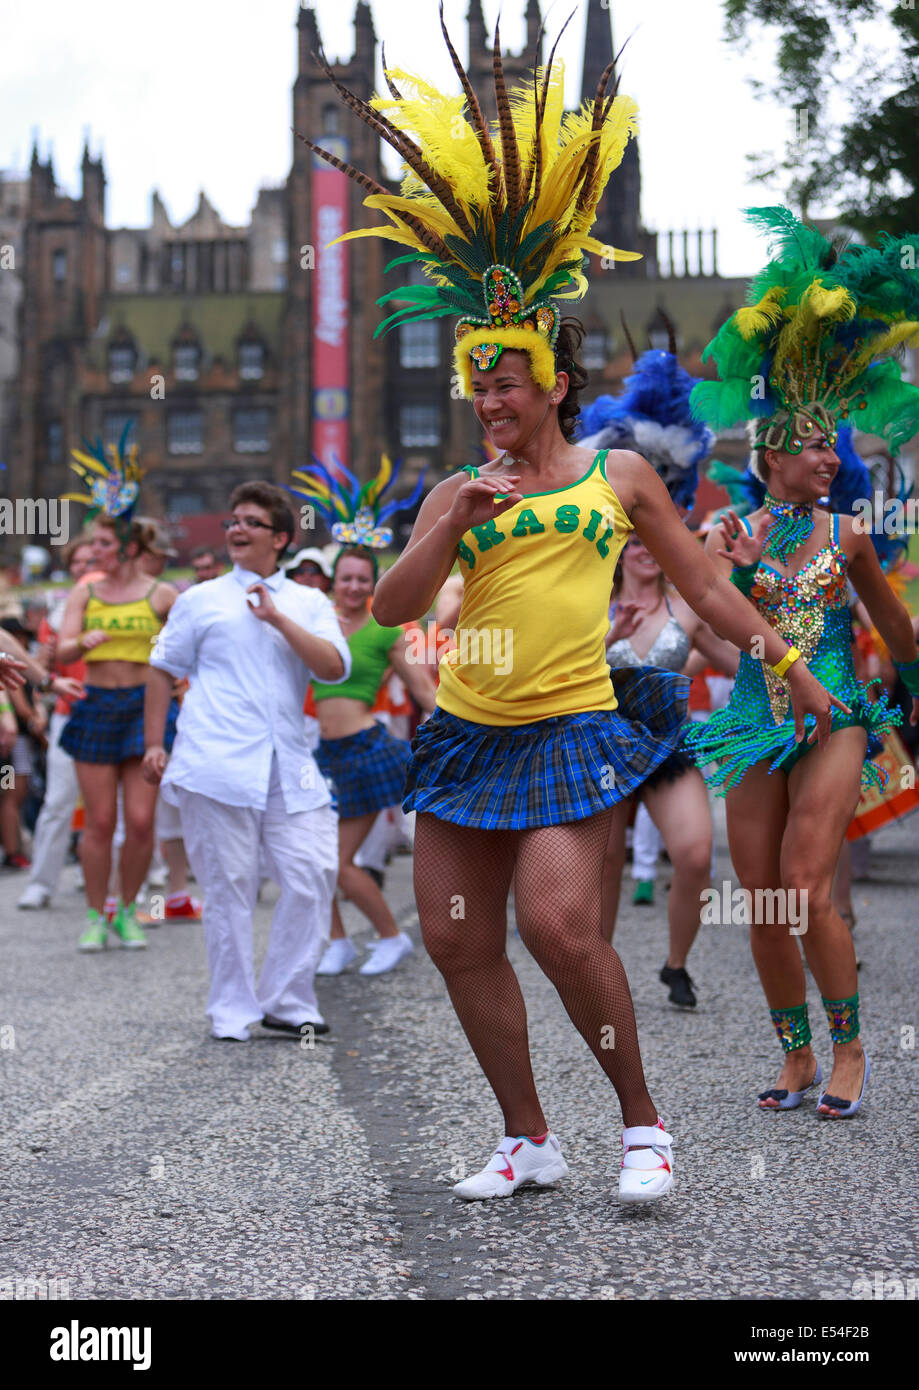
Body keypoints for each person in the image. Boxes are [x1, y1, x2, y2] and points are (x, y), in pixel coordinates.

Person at [307, 23, 844, 1204]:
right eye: (474, 381)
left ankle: (642, 1125)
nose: (488, 397)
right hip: (463, 740)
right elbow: (387, 617)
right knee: (453, 936)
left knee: (561, 929)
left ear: (553, 376)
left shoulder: (617, 475)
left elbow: (705, 586)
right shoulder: (456, 489)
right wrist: (446, 517)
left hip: (570, 729)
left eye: (505, 378)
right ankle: (525, 1135)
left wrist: (792, 671)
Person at [683, 208, 919, 1119]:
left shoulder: (849, 535)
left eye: (837, 444)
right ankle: (794, 1056)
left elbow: (895, 631)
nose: (833, 458)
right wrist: (728, 565)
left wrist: (908, 685)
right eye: (816, 445)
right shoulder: (728, 533)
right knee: (762, 903)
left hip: (832, 718)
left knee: (803, 885)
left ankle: (851, 1048)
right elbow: (709, 609)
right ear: (770, 455)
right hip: (751, 720)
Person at [143, 481, 351, 1042]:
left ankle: (287, 999)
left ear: (280, 537)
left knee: (311, 875)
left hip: (290, 762)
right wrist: (153, 743)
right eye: (233, 520)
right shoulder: (199, 599)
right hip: (215, 758)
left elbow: (333, 668)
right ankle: (232, 1010)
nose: (236, 529)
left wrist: (280, 619)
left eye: (250, 522)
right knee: (229, 886)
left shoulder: (308, 601)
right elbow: (162, 668)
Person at [287, 459, 436, 977]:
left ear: (374, 583)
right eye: (346, 579)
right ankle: (339, 943)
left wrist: (452, 736)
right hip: (320, 753)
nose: (353, 588)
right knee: (312, 861)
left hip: (367, 753)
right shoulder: (312, 620)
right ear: (333, 581)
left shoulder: (387, 626)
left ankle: (392, 938)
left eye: (363, 580)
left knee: (337, 862)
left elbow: (422, 688)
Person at [601, 536, 739, 1005]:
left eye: (653, 539)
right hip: (603, 748)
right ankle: (596, 974)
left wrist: (803, 666)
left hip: (668, 745)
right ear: (620, 549)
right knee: (605, 865)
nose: (647, 548)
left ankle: (675, 964)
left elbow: (741, 665)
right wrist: (608, 639)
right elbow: (555, 672)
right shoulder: (591, 607)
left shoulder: (688, 612)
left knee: (696, 855)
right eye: (635, 540)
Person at [56, 435, 179, 950]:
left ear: (128, 545)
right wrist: (78, 642)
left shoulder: (163, 594)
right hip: (96, 705)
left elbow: (187, 651)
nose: (94, 552)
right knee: (100, 820)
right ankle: (93, 915)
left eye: (104, 544)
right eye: (93, 544)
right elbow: (58, 653)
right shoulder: (85, 591)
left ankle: (128, 911)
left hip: (146, 710)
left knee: (143, 818)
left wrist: (186, 685)